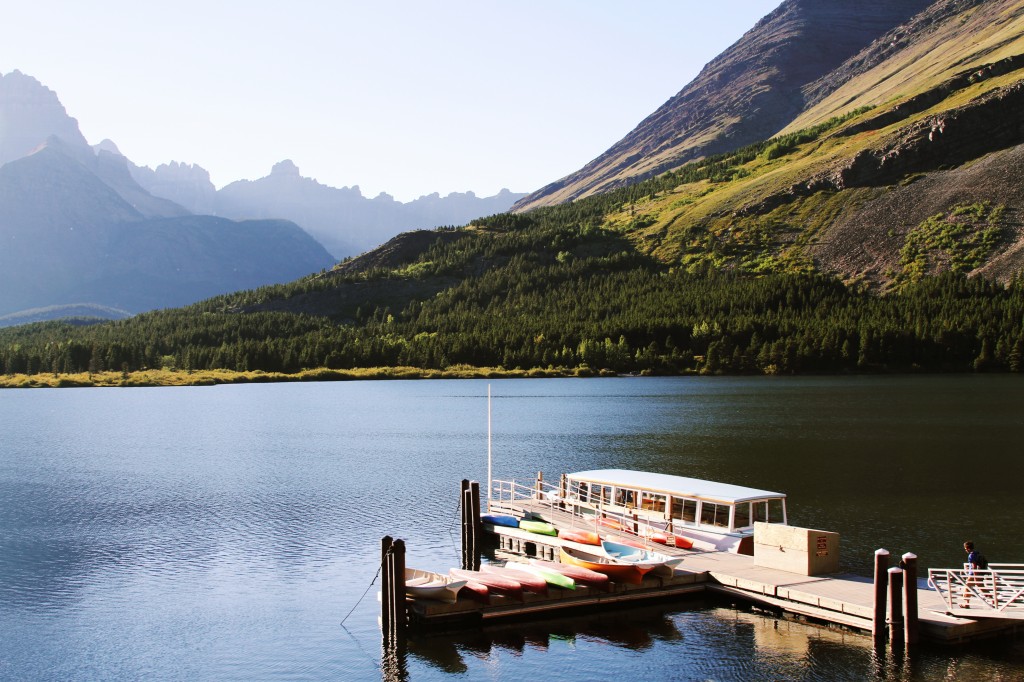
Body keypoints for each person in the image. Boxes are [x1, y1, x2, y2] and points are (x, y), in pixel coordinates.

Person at [960, 540, 984, 607]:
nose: (965, 550)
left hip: (973, 575)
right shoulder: (977, 553)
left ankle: (966, 604)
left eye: (965, 549)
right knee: (981, 587)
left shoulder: (971, 555)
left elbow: (974, 566)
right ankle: (992, 599)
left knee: (967, 587)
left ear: (968, 548)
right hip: (979, 573)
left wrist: (975, 576)